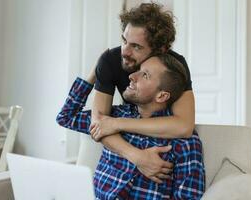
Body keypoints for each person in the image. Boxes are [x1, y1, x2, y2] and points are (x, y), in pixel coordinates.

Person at [57, 54, 205, 199]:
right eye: (139, 69)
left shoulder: (185, 143)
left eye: (145, 75)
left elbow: (188, 196)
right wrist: (97, 72)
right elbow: (66, 117)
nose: (132, 76)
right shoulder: (113, 117)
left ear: (161, 96)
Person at [91, 3, 196, 183]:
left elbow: (184, 126)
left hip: (164, 144)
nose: (125, 51)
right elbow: (99, 125)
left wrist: (116, 123)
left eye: (136, 47)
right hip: (130, 142)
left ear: (160, 50)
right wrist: (138, 157)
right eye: (124, 40)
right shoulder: (110, 60)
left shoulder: (173, 66)